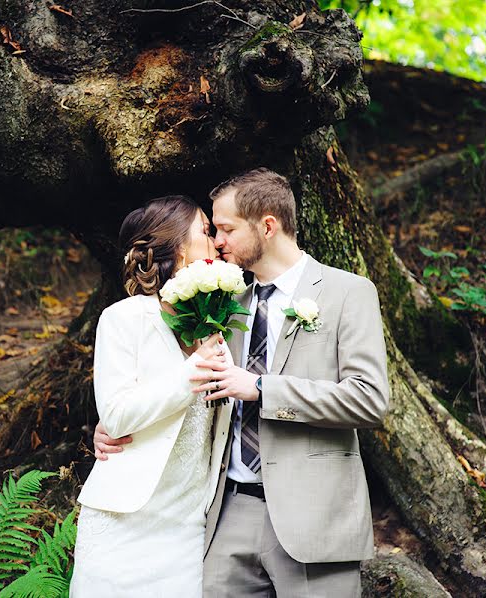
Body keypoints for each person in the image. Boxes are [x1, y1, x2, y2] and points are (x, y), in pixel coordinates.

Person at [94, 168, 390, 597]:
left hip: (314, 516)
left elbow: (369, 401)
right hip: (226, 514)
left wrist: (262, 389)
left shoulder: (348, 293)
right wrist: (117, 425)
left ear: (267, 226)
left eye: (227, 229)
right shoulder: (220, 302)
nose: (217, 241)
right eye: (212, 231)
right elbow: (178, 383)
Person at [70, 195, 233, 597]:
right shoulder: (123, 319)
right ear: (179, 248)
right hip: (124, 519)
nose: (216, 243)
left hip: (188, 524)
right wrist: (189, 375)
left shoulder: (222, 323)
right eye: (206, 232)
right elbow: (117, 415)